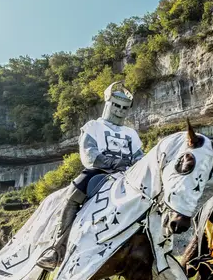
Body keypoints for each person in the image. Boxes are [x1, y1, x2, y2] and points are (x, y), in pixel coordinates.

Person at [35, 81, 144, 270]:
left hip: (128, 176)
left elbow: (140, 157)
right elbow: (89, 153)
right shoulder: (93, 126)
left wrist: (137, 166)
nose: (119, 111)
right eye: (116, 106)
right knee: (72, 197)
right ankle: (57, 250)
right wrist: (111, 162)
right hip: (100, 172)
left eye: (124, 108)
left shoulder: (131, 133)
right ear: (108, 103)